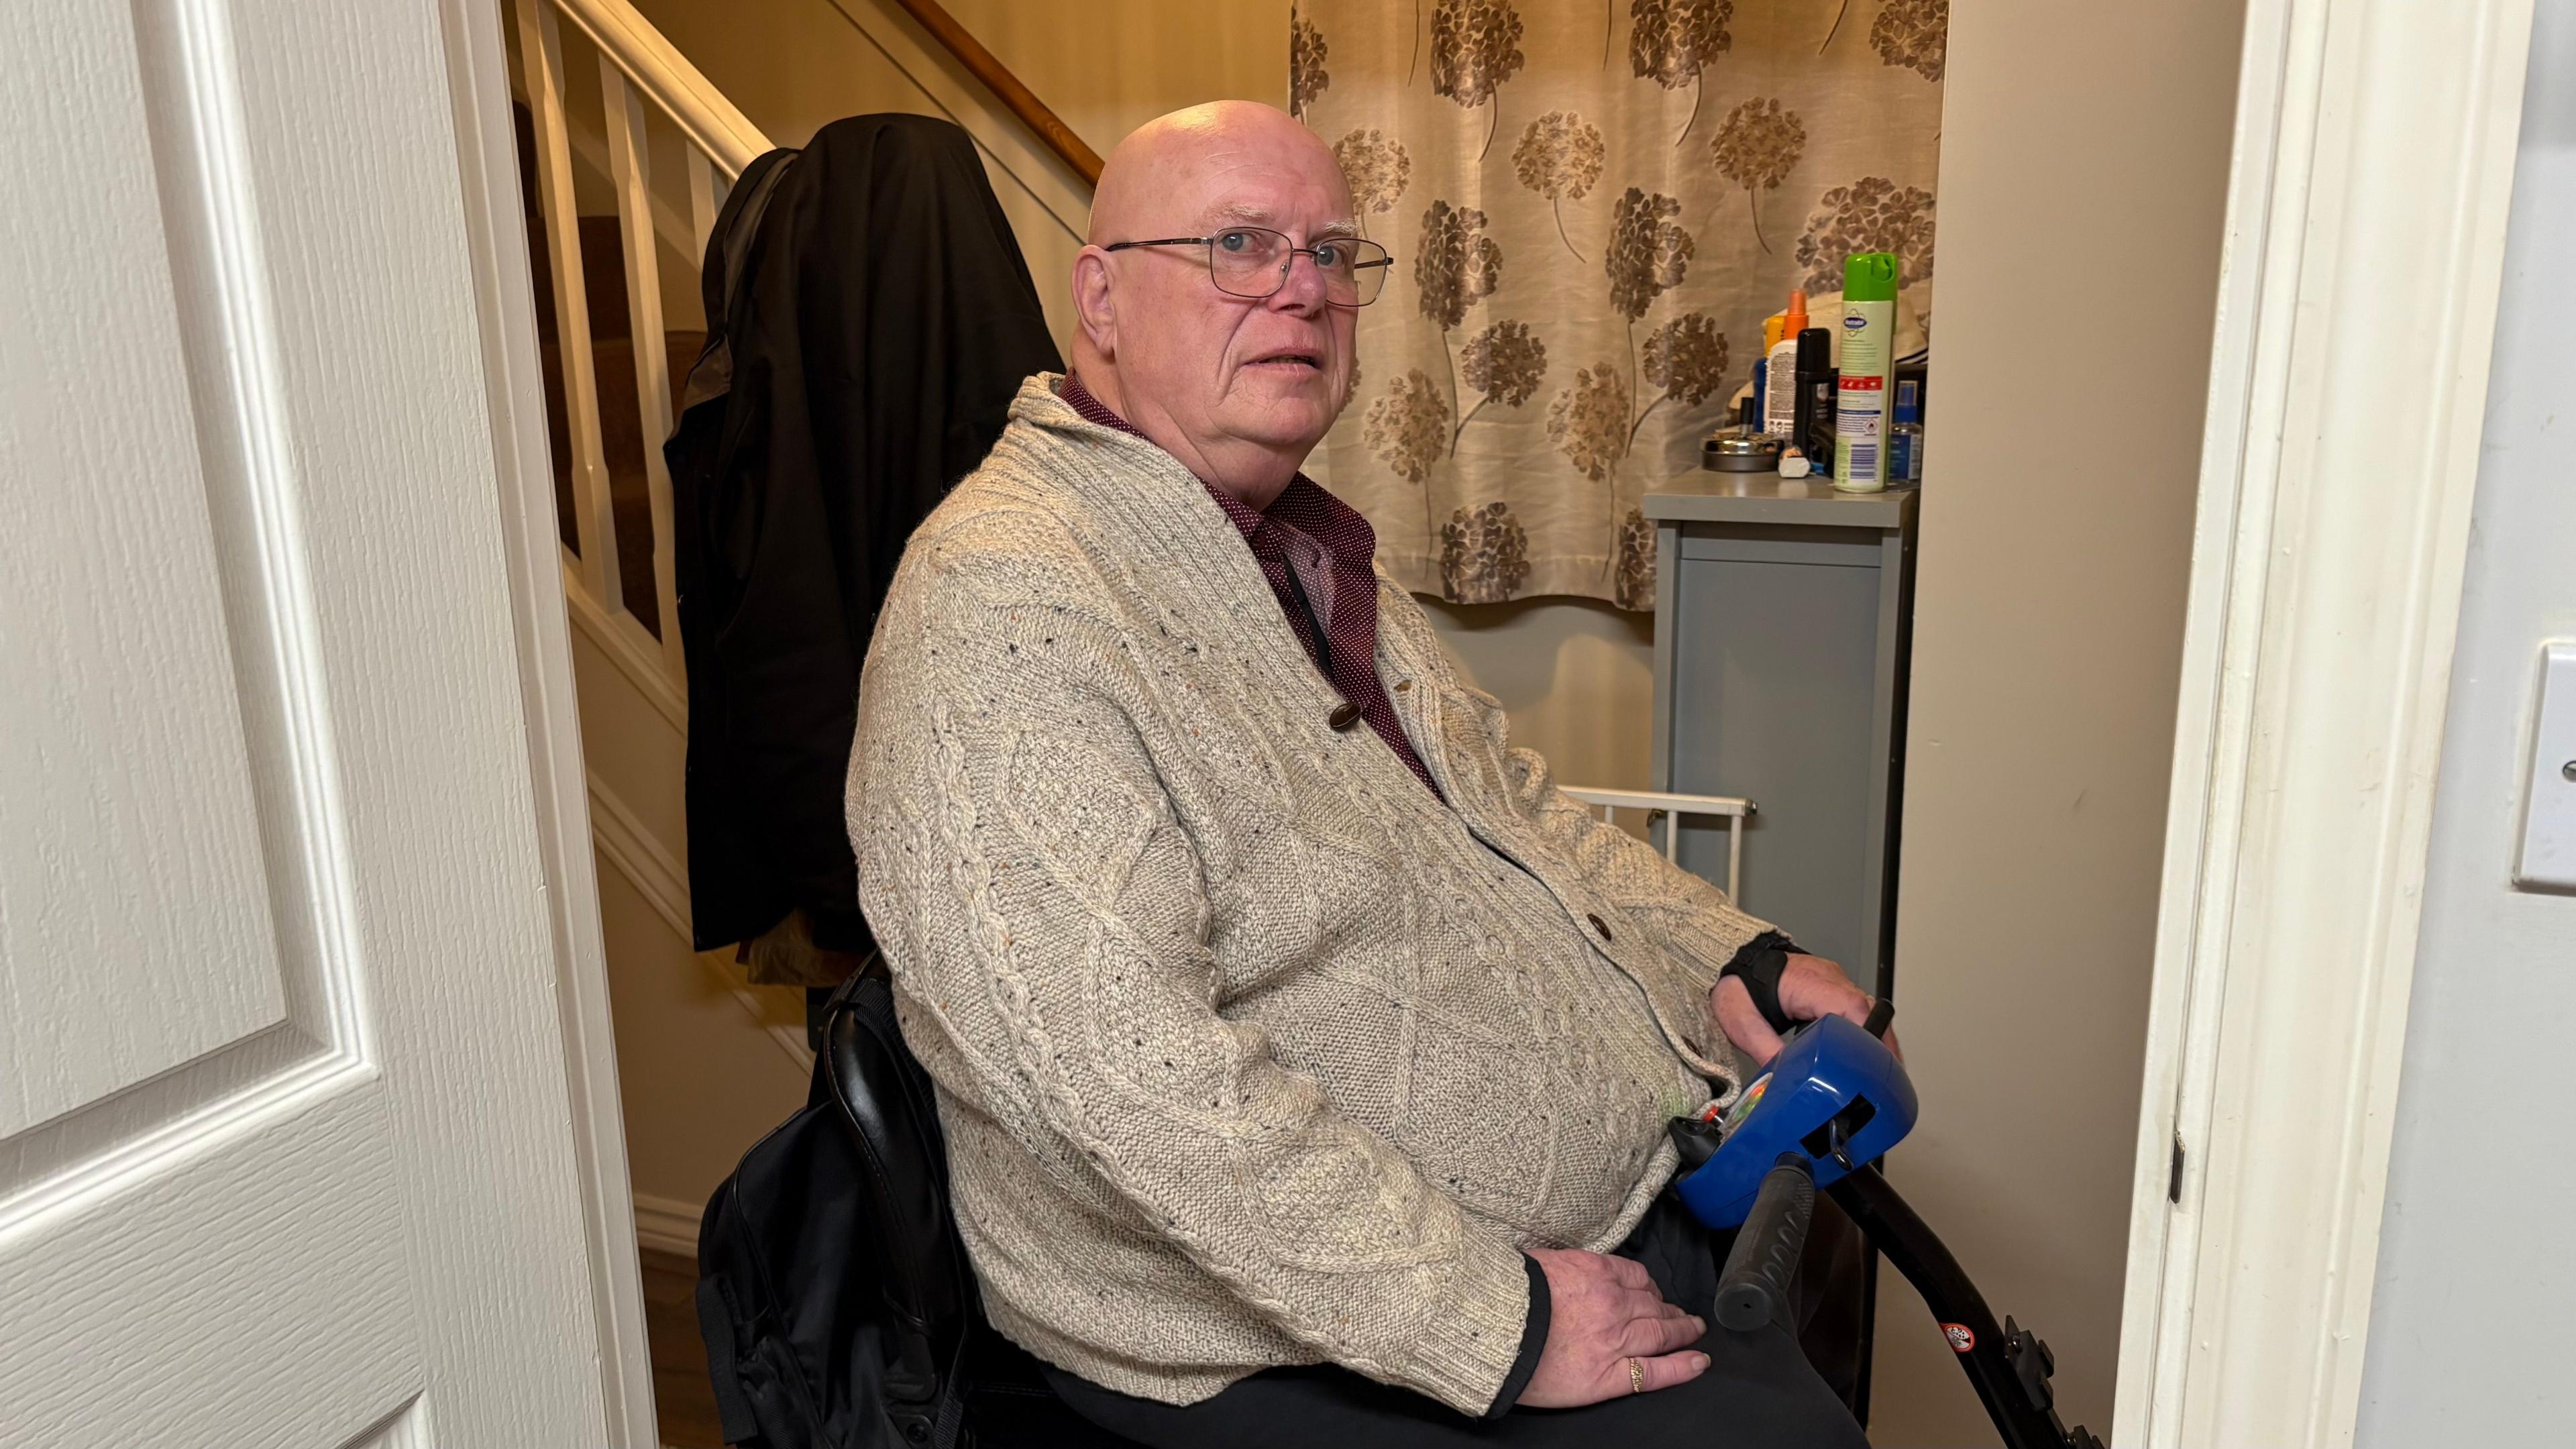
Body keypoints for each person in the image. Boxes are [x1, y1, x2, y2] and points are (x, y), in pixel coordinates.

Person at [848, 100, 1892, 1447]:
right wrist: (1492, 1322)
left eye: (1334, 255)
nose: (1304, 289)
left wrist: (1729, 956)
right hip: (1274, 1335)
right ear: (1099, 298)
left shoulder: (1291, 548)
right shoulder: (1005, 606)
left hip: (1598, 1207)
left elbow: (1511, 814)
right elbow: (1125, 1081)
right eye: (1239, 244)